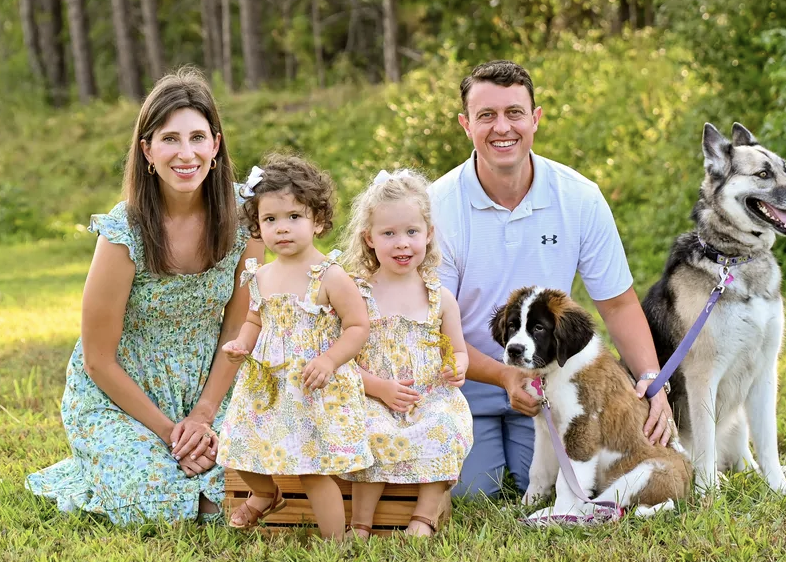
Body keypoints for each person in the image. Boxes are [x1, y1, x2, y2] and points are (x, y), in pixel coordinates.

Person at [26, 68, 265, 524]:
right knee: (153, 497)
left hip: (213, 383)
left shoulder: (246, 219)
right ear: (148, 151)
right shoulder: (124, 231)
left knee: (247, 476)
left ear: (215, 146)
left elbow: (240, 327)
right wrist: (173, 433)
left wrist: (205, 414)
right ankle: (109, 466)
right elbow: (99, 359)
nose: (186, 153)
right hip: (124, 393)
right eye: (170, 139)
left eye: (197, 137)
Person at [428, 60, 674, 498]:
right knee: (474, 492)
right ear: (466, 125)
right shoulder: (436, 206)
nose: (502, 127)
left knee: (570, 477)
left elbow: (616, 303)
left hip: (549, 384)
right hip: (466, 383)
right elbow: (433, 327)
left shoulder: (579, 196)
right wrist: (504, 378)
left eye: (514, 113)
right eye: (486, 115)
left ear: (535, 119)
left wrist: (652, 381)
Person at [215, 154, 372, 538]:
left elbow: (357, 327)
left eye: (294, 217)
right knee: (238, 448)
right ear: (258, 226)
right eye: (270, 220)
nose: (281, 229)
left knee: (312, 469)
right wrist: (241, 343)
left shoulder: (330, 275)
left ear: (317, 221)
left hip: (312, 386)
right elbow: (256, 319)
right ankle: (264, 494)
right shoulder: (262, 275)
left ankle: (336, 542)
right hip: (266, 387)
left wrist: (329, 360)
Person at [338, 169, 473, 538]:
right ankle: (361, 522)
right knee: (369, 430)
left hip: (428, 395)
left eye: (412, 232)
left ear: (428, 235)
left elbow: (458, 351)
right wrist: (378, 388)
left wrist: (456, 368)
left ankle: (423, 517)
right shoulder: (355, 293)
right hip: (373, 394)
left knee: (446, 427)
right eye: (389, 234)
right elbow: (341, 361)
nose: (402, 243)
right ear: (369, 239)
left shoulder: (440, 298)